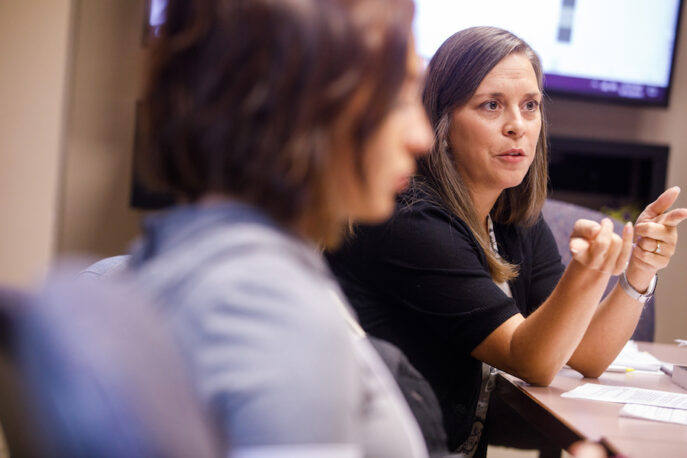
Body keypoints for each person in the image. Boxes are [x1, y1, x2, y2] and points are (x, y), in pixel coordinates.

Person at [327, 26, 687, 455]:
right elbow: (531, 359)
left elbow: (585, 353)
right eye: (491, 105)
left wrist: (639, 271)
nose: (517, 126)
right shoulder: (407, 218)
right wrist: (587, 272)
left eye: (530, 106)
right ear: (439, 123)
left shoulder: (514, 218)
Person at [127, 0, 434, 456]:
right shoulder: (266, 306)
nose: (422, 136)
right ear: (303, 104)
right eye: (399, 97)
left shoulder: (181, 256)